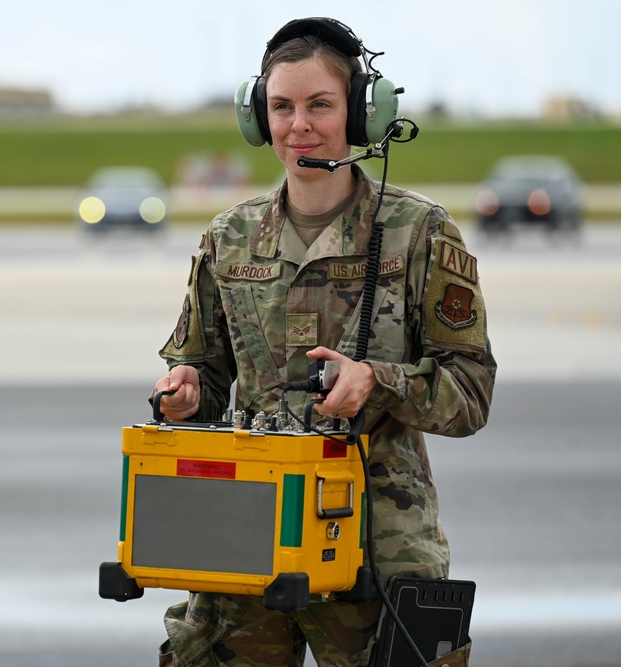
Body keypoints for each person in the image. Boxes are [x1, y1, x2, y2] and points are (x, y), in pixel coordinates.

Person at [150, 16, 496, 667]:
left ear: (361, 113)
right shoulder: (227, 240)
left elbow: (471, 392)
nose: (299, 125)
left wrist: (378, 381)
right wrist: (186, 391)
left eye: (320, 105)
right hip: (247, 540)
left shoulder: (418, 234)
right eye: (281, 106)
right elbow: (201, 370)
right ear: (258, 117)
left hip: (377, 551)